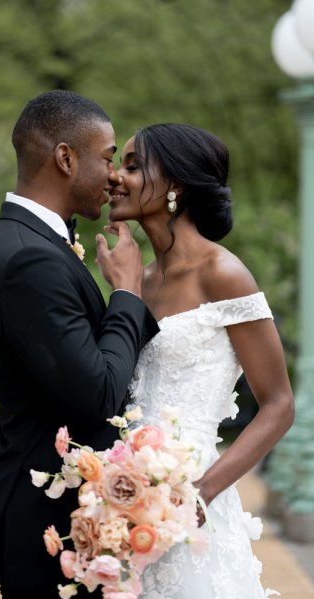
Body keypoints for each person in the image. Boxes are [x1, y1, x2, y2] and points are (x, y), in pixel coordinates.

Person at [0, 90, 159, 599]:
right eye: (106, 157)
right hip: (46, 523)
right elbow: (97, 393)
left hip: (57, 512)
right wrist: (126, 292)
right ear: (65, 157)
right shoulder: (30, 258)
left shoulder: (34, 244)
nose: (113, 175)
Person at [106, 123, 294, 598]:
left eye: (131, 166)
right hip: (123, 495)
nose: (114, 177)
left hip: (193, 495)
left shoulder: (223, 273)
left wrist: (202, 492)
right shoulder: (136, 280)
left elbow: (278, 404)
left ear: (175, 184)